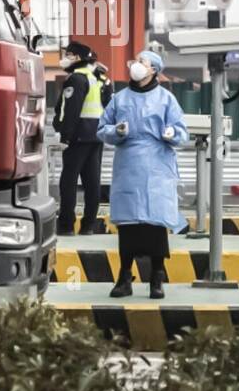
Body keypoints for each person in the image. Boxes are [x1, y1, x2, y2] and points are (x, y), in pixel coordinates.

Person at [97, 49, 189, 299]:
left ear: (154, 70)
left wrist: (172, 133)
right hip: (128, 166)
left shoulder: (167, 99)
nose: (136, 65)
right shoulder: (120, 99)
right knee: (128, 226)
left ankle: (157, 277)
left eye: (142, 62)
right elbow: (102, 129)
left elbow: (182, 131)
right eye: (136, 61)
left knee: (155, 224)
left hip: (158, 166)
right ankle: (124, 276)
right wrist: (116, 131)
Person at [53, 41, 112, 235]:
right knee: (92, 181)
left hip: (77, 136)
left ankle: (66, 225)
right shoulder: (98, 78)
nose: (66, 58)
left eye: (69, 54)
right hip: (96, 135)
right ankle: (88, 225)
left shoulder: (77, 79)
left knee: (68, 181)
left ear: (77, 58)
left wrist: (65, 136)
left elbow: (71, 110)